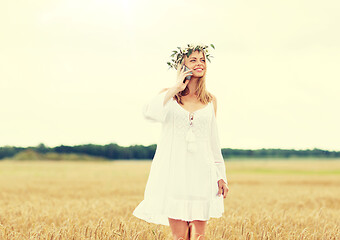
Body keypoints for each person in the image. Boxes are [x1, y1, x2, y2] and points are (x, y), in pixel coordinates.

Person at [133, 44, 229, 240]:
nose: (199, 63)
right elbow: (149, 113)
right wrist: (177, 86)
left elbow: (213, 142)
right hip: (174, 174)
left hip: (202, 174)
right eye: (193, 60)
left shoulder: (211, 100)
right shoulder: (169, 95)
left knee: (198, 236)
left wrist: (221, 176)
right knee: (180, 237)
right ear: (182, 65)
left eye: (202, 59)